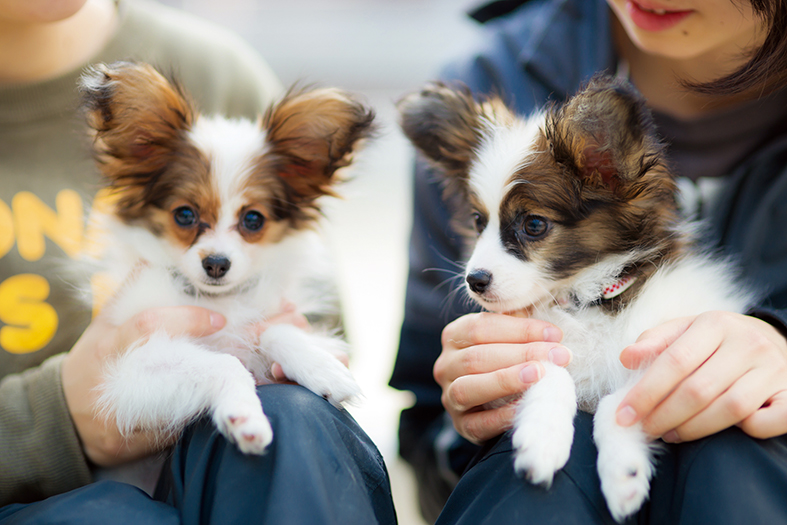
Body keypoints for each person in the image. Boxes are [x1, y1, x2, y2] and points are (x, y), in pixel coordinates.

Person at [391, 0, 787, 523]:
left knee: (734, 452)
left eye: (532, 226)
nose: (478, 266)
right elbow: (421, 428)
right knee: (534, 475)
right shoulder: (492, 75)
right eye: (481, 222)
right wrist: (462, 429)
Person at [0, 1, 396, 523]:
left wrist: (285, 346)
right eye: (188, 215)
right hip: (69, 500)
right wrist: (55, 416)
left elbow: (319, 410)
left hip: (232, 477)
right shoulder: (147, 276)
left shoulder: (224, 73)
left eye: (250, 221)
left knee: (293, 414)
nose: (216, 251)